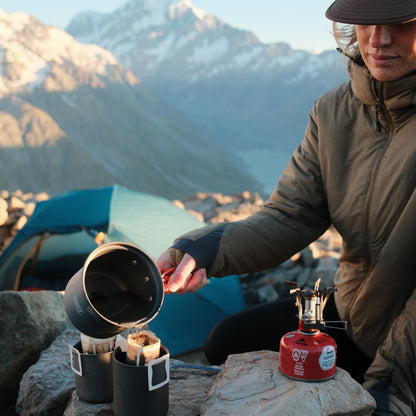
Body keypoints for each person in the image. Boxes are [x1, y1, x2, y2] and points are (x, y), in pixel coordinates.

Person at [156, 0, 416, 414]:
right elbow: (290, 214)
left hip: (408, 351)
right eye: (367, 20)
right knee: (227, 341)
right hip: (355, 314)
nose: (379, 39)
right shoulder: (334, 112)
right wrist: (197, 249)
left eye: (401, 23)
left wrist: (391, 385)